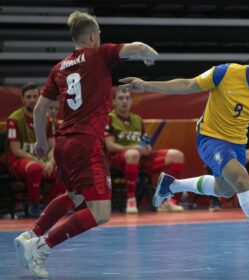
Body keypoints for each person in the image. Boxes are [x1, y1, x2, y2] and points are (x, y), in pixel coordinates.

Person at [14, 11, 158, 278]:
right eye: (99, 34)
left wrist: (41, 143)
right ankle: (41, 246)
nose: (100, 38)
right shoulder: (100, 54)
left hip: (64, 144)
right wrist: (149, 56)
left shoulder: (59, 67)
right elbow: (137, 48)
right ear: (92, 36)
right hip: (86, 144)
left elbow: (40, 110)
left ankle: (29, 235)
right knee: (100, 213)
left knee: (74, 196)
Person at [120, 46, 249, 263]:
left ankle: (172, 186)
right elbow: (188, 84)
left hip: (237, 145)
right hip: (210, 138)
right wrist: (146, 85)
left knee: (226, 190)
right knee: (242, 179)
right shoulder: (225, 73)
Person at [105, 88, 184, 213]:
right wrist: (133, 148)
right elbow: (110, 146)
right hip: (119, 161)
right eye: (120, 98)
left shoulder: (137, 119)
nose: (124, 101)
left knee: (177, 155)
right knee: (133, 154)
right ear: (114, 102)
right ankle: (131, 200)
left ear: (131, 101)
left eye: (127, 98)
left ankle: (168, 201)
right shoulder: (109, 118)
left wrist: (147, 148)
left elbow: (143, 142)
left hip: (140, 159)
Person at [6, 83, 60, 217]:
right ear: (22, 99)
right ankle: (34, 206)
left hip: (41, 160)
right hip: (19, 161)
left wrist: (51, 162)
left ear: (39, 98)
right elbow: (16, 150)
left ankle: (47, 205)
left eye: (35, 96)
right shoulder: (14, 119)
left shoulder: (47, 118)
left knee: (64, 171)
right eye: (28, 97)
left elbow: (53, 146)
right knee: (35, 168)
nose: (32, 100)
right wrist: (39, 162)